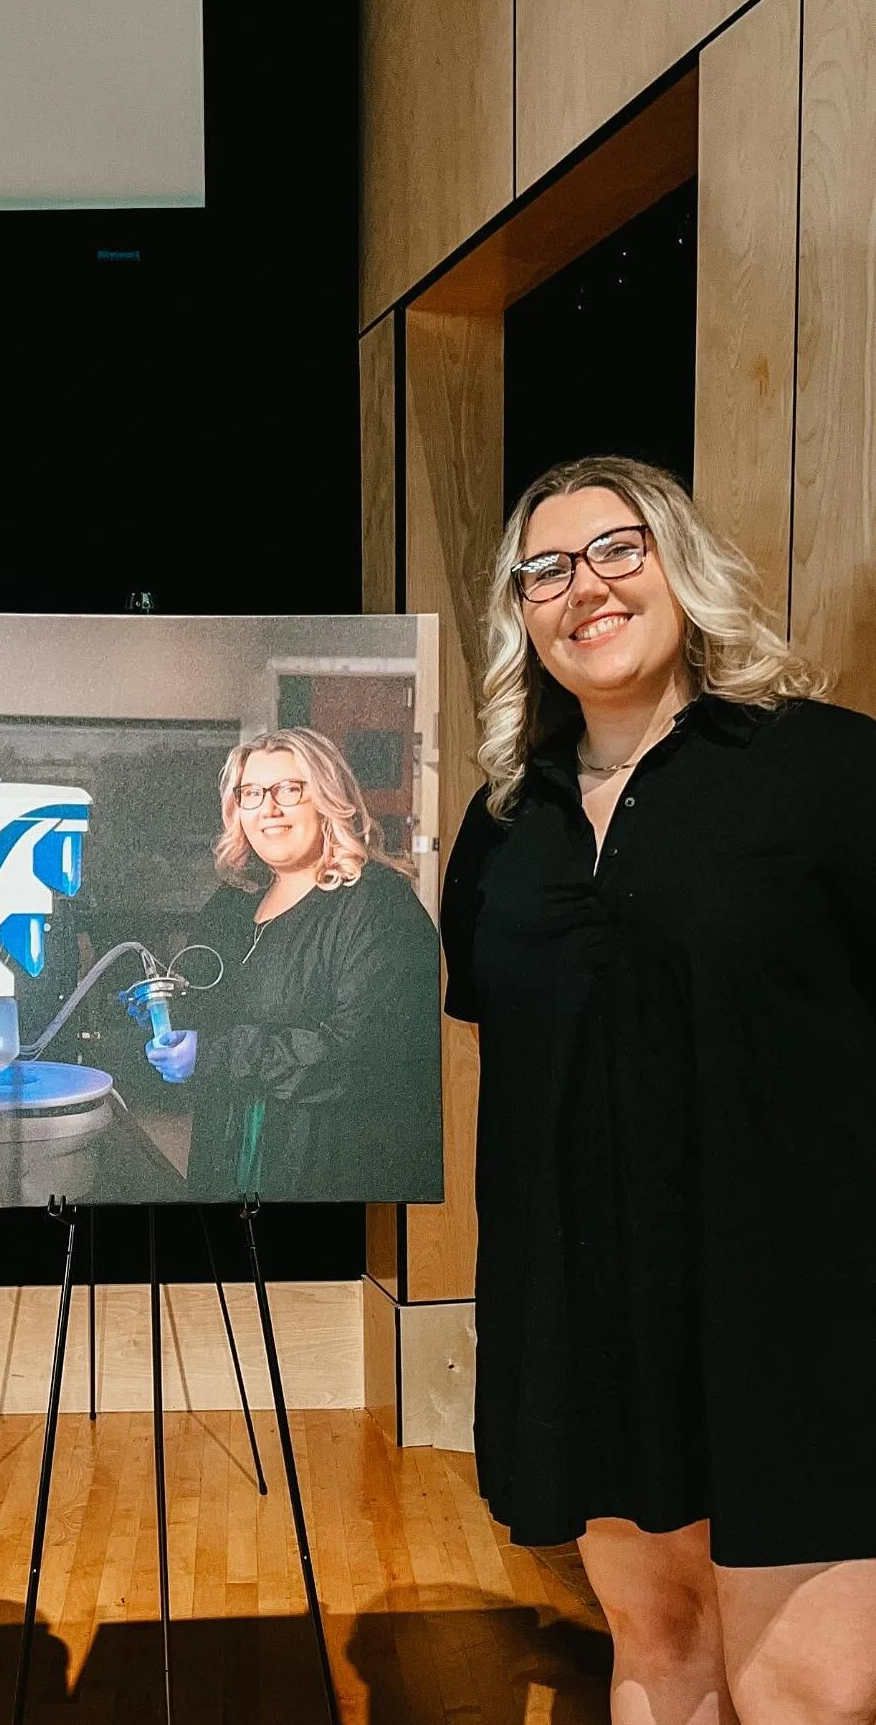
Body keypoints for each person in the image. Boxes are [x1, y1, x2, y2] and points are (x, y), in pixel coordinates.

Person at [440, 454, 876, 1725]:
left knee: (816, 1689)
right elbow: (506, 1050)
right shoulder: (504, 822)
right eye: (548, 569)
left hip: (798, 1310)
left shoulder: (826, 772)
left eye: (619, 550)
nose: (587, 586)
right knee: (658, 1649)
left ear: (682, 568)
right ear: (521, 616)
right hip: (585, 1308)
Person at [133, 725, 439, 1202]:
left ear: (329, 800)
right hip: (229, 1159)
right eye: (251, 793)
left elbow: (361, 1054)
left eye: (289, 790)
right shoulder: (232, 904)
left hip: (325, 1169)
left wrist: (214, 1054)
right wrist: (162, 1016)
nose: (268, 808)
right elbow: (202, 1002)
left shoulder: (378, 906)